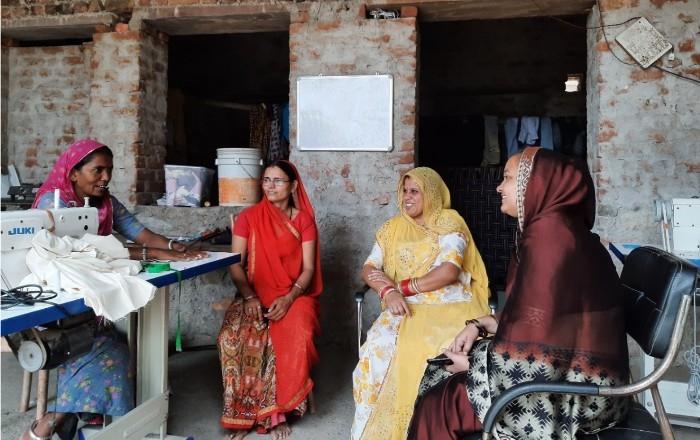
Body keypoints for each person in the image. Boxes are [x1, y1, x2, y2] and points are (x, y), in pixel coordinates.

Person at [408, 147, 630, 440]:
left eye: (508, 178)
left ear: (535, 184)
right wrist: (483, 323)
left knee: (441, 400)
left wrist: (474, 366)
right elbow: (549, 319)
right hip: (585, 381)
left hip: (578, 397)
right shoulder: (559, 230)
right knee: (443, 373)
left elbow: (536, 353)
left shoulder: (551, 239)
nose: (499, 187)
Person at [23, 138, 206, 440]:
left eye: (109, 170)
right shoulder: (50, 206)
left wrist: (176, 247)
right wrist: (155, 255)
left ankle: (81, 418)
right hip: (55, 297)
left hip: (91, 299)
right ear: (73, 173)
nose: (106, 178)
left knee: (122, 345)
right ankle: (60, 419)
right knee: (112, 351)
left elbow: (139, 233)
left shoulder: (105, 203)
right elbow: (82, 253)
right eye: (98, 171)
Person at [351, 167, 491, 440]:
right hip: (402, 306)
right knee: (377, 349)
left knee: (435, 349)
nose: (407, 197)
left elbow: (449, 271)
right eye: (404, 191)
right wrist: (388, 291)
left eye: (415, 191)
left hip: (450, 305)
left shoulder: (449, 222)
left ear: (432, 195)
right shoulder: (391, 229)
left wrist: (404, 287)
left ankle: (424, 428)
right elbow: (369, 268)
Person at [217, 160, 322, 440]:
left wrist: (289, 299)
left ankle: (278, 414)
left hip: (294, 294)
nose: (270, 186)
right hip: (253, 294)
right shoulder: (248, 217)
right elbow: (235, 264)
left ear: (293, 186)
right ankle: (244, 415)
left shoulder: (303, 220)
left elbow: (309, 269)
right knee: (232, 336)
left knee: (296, 332)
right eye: (266, 180)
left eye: (278, 180)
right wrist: (249, 296)